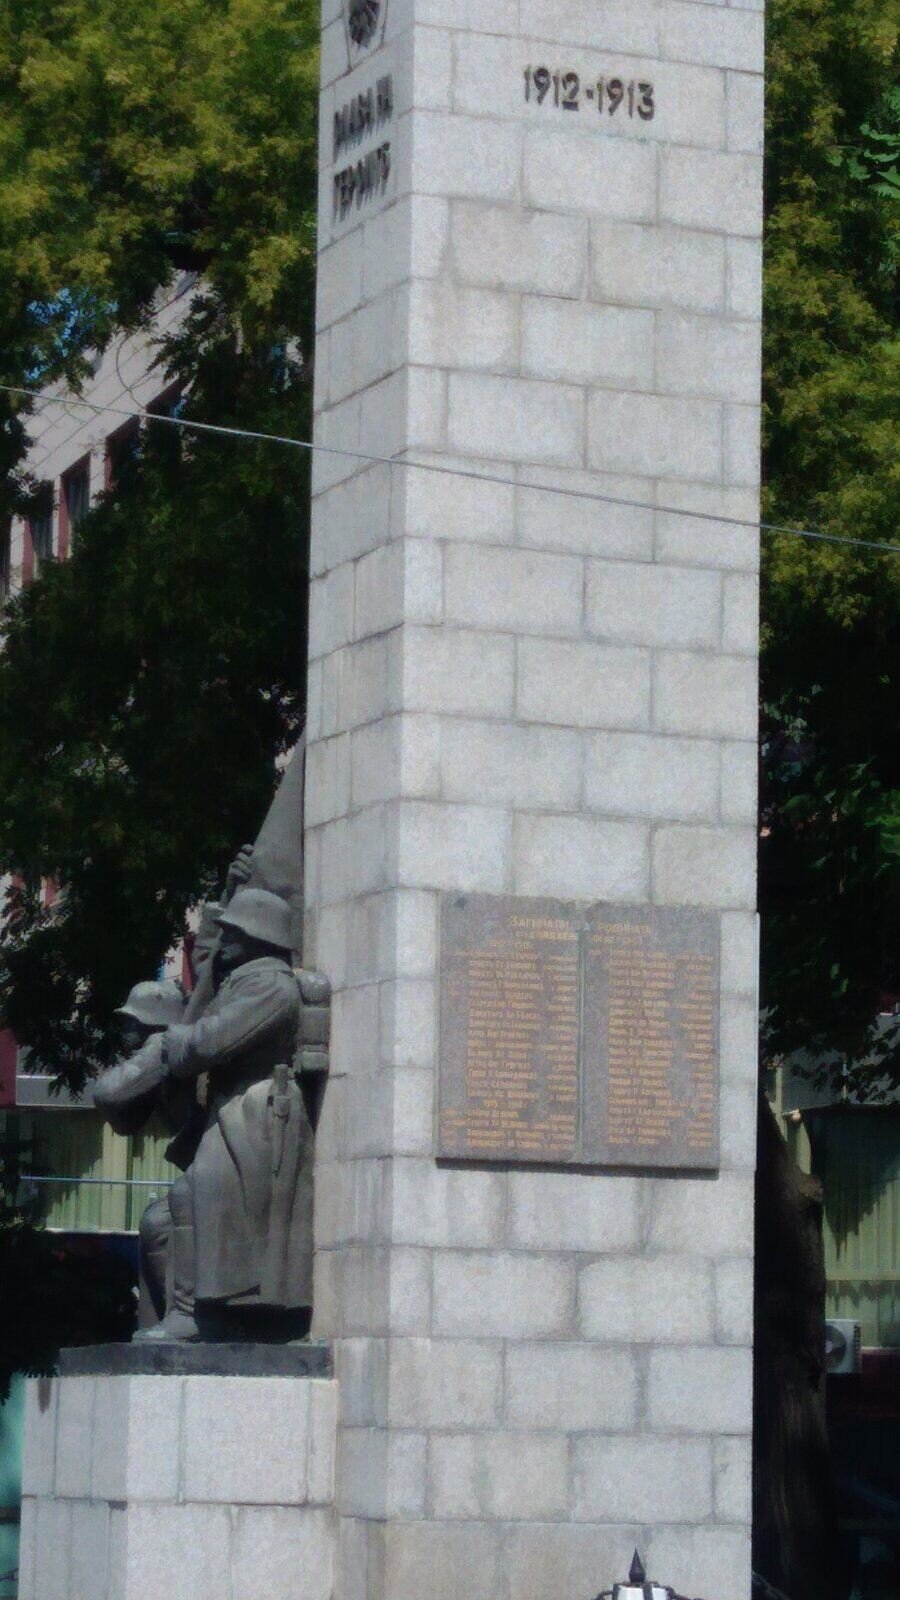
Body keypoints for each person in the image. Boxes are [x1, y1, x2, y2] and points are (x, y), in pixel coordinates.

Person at [137, 885, 309, 1343]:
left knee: (199, 1198)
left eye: (234, 931)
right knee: (186, 1199)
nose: (225, 939)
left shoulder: (271, 987)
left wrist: (174, 1041)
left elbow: (211, 1041)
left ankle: (201, 1314)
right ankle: (191, 1311)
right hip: (234, 1106)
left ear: (258, 935)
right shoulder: (243, 981)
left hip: (256, 1112)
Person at [94, 980, 190, 1320]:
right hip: (201, 1172)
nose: (124, 1030)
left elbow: (109, 1093)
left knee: (158, 1223)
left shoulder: (161, 1045)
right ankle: (162, 1322)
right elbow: (126, 1123)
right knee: (155, 1221)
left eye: (130, 1022)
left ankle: (184, 1314)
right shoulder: (162, 1050)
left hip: (214, 1173)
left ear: (152, 1021)